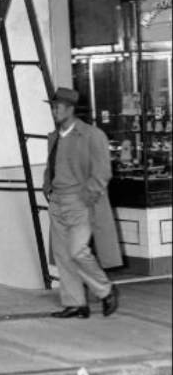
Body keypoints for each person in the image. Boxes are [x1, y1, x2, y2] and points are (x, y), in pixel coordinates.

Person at [43, 87, 122, 319]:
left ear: (70, 109)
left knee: (78, 251)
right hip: (57, 201)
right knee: (63, 255)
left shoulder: (92, 135)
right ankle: (75, 303)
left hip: (79, 202)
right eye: (53, 107)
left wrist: (88, 196)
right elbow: (52, 166)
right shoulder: (55, 136)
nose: (54, 111)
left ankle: (105, 289)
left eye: (57, 107)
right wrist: (47, 186)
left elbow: (102, 171)